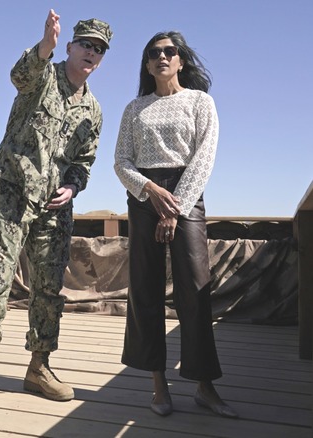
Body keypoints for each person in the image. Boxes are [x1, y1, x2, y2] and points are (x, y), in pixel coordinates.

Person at [0, 10, 112, 405]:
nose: (91, 53)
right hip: (12, 190)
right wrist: (43, 45)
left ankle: (39, 367)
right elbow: (20, 76)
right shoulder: (44, 74)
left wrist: (72, 185)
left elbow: (85, 161)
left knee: (48, 288)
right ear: (70, 47)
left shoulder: (93, 111)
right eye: (86, 45)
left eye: (99, 50)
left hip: (53, 206)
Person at [113, 31, 237, 419]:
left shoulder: (200, 102)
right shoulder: (135, 109)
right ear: (147, 64)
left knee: (195, 290)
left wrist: (173, 208)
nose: (162, 57)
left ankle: (204, 386)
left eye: (169, 52)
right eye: (154, 53)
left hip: (185, 197)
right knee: (145, 291)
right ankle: (158, 386)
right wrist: (149, 190)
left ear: (181, 60)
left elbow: (204, 156)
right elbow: (121, 161)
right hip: (144, 197)